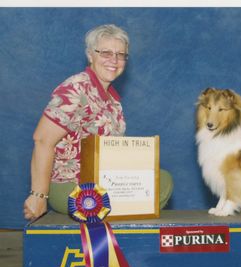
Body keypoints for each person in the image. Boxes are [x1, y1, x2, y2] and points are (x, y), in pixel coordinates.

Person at [23, 24, 173, 221]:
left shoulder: (114, 102)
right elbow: (42, 140)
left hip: (105, 181)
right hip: (71, 185)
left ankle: (119, 229)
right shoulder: (76, 88)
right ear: (90, 55)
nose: (114, 60)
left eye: (121, 55)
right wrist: (38, 195)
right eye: (106, 53)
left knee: (162, 180)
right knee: (127, 200)